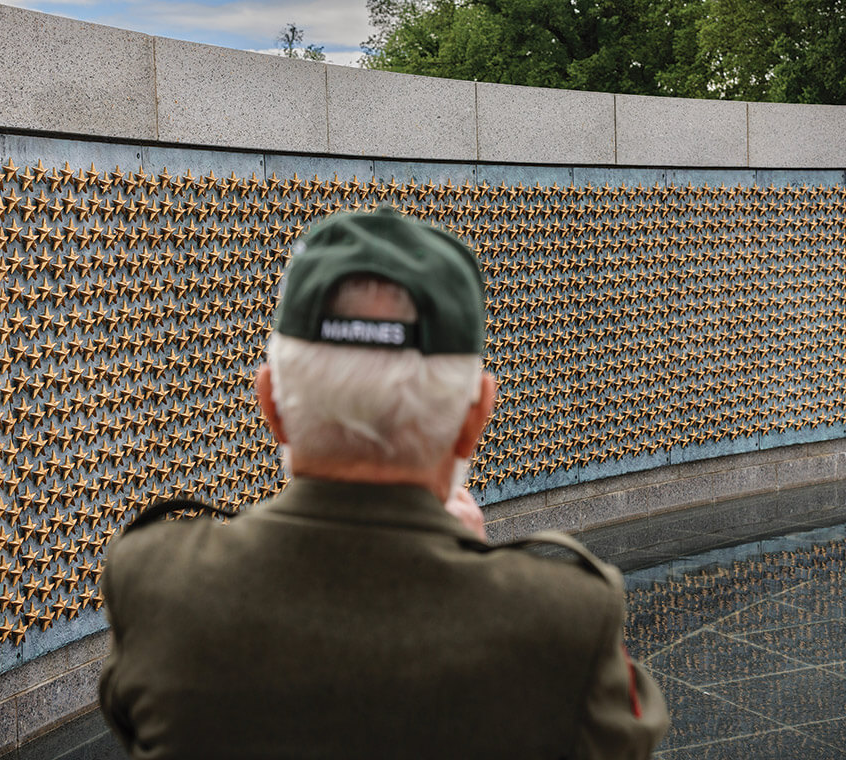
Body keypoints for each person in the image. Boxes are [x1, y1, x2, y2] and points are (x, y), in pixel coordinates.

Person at [98, 208, 668, 758]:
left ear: (270, 402)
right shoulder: (565, 622)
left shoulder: (154, 583)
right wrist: (478, 563)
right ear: (476, 419)